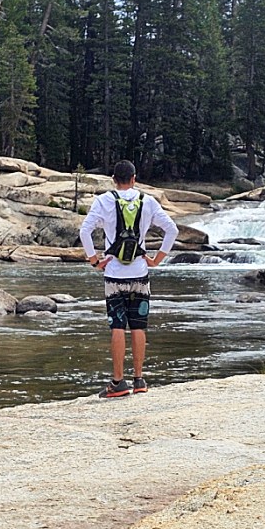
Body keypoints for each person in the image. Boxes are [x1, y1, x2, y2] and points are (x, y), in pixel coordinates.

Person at [79, 160, 179, 398]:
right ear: (134, 179)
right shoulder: (148, 201)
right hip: (140, 274)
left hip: (114, 275)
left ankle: (117, 382)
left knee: (117, 326)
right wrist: (157, 259)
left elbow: (84, 231)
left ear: (114, 179)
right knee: (138, 325)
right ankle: (139, 379)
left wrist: (94, 261)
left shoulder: (103, 201)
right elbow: (172, 230)